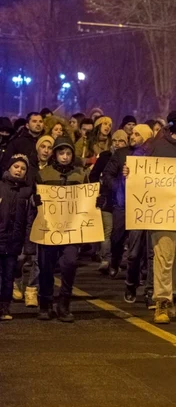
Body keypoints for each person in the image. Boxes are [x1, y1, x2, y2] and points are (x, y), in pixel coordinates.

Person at [125, 110, 176, 324]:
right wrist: (130, 174)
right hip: (162, 213)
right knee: (163, 257)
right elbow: (141, 172)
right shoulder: (156, 147)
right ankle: (162, 301)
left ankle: (171, 294)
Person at [35, 137, 91, 322]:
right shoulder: (44, 174)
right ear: (55, 154)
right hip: (49, 229)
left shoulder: (80, 174)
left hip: (71, 230)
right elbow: (34, 198)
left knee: (69, 264)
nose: (65, 157)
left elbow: (89, 199)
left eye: (68, 153)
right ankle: (45, 304)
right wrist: (35, 202)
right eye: (61, 153)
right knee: (45, 267)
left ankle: (64, 304)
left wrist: (97, 201)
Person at [111, 124, 155, 306]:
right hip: (136, 209)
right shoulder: (130, 157)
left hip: (154, 210)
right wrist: (126, 175)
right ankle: (131, 283)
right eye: (133, 132)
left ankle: (151, 290)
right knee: (134, 252)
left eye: (137, 134)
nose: (132, 136)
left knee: (152, 253)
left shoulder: (157, 156)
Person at [12, 136, 53, 307]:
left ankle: (32, 290)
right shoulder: (28, 167)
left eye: (49, 147)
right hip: (26, 217)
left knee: (38, 257)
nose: (45, 150)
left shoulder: (54, 169)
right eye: (42, 146)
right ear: (37, 148)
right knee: (21, 256)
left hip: (46, 218)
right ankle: (16, 278)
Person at [0, 155, 34, 321]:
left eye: (23, 168)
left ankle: (5, 307)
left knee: (8, 276)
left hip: (14, 242)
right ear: (9, 168)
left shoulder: (26, 192)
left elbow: (29, 221)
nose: (19, 170)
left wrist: (27, 246)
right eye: (16, 167)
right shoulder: (0, 187)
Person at [90, 130, 129, 275]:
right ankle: (106, 259)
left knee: (119, 233)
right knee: (107, 231)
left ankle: (119, 259)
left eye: (121, 141)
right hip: (107, 198)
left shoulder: (131, 157)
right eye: (115, 141)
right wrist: (98, 189)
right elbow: (94, 175)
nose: (117, 144)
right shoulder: (105, 157)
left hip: (123, 202)